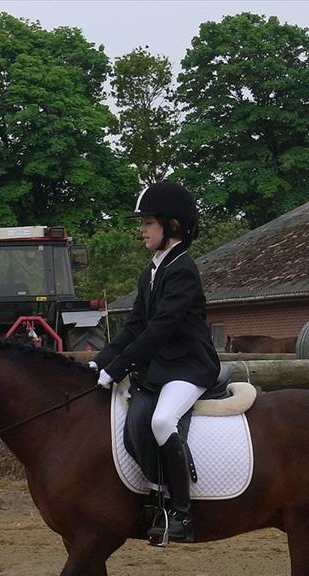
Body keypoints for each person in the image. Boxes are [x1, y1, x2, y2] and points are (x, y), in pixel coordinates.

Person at [89, 181, 221, 544]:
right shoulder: (152, 270)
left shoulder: (182, 270)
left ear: (172, 226)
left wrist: (117, 370)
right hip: (162, 369)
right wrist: (99, 362)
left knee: (163, 421)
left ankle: (182, 512)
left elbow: (159, 330)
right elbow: (134, 326)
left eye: (148, 223)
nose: (142, 230)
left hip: (189, 367)